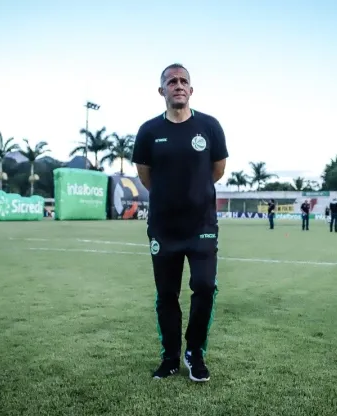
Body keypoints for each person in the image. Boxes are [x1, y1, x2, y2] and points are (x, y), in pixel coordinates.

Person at [131, 63, 228, 382]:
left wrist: (194, 194)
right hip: (164, 228)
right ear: (162, 90)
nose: (178, 85)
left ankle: (195, 352)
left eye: (184, 80)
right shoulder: (148, 131)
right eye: (171, 81)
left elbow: (217, 170)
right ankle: (170, 356)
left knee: (204, 286)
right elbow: (145, 175)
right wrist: (168, 197)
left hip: (201, 225)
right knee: (166, 294)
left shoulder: (210, 126)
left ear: (191, 89)